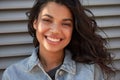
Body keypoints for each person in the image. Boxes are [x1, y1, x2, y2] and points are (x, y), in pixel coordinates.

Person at [2, 0, 115, 80]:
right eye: (47, 20)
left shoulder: (91, 72)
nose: (55, 30)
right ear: (35, 23)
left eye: (66, 24)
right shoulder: (13, 75)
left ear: (73, 29)